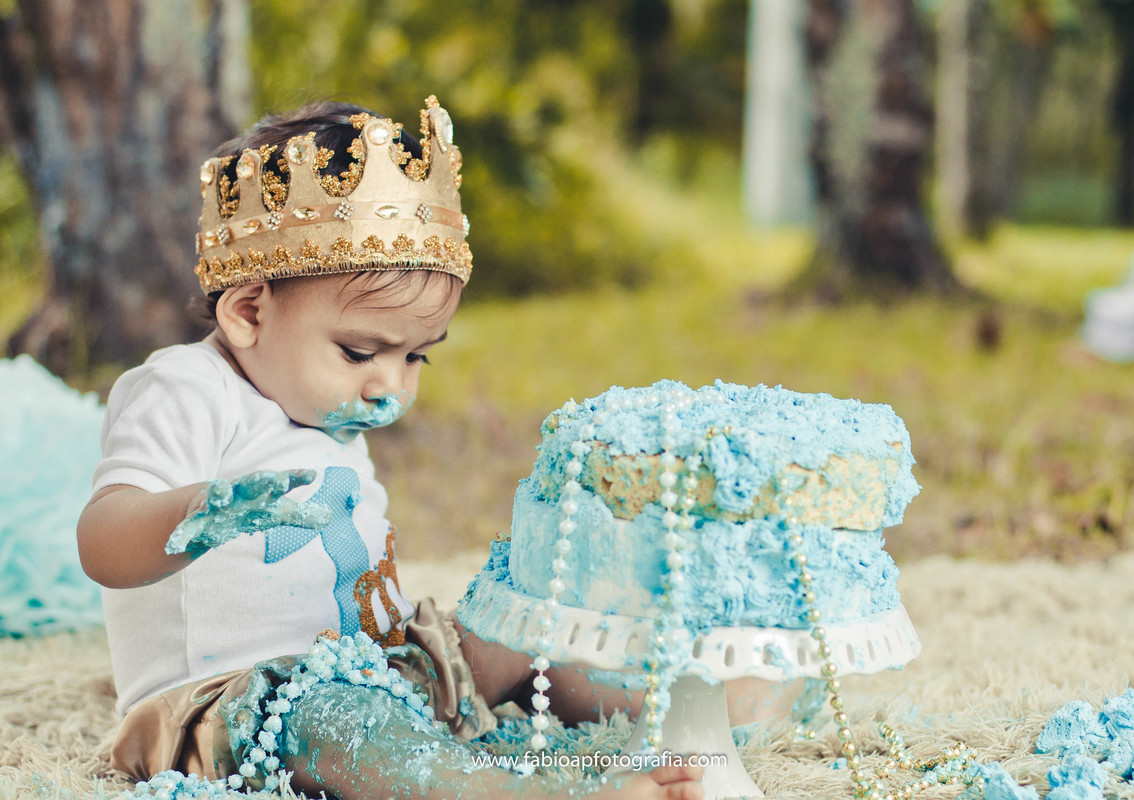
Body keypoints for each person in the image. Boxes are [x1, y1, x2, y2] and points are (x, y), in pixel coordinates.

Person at [77, 97, 703, 800]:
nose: (390, 388)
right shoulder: (185, 388)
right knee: (338, 720)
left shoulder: (323, 405)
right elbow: (103, 543)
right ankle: (516, 793)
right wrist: (206, 511)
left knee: (518, 629)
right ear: (248, 311)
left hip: (383, 670)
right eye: (361, 351)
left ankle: (682, 715)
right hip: (242, 704)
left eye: (417, 359)